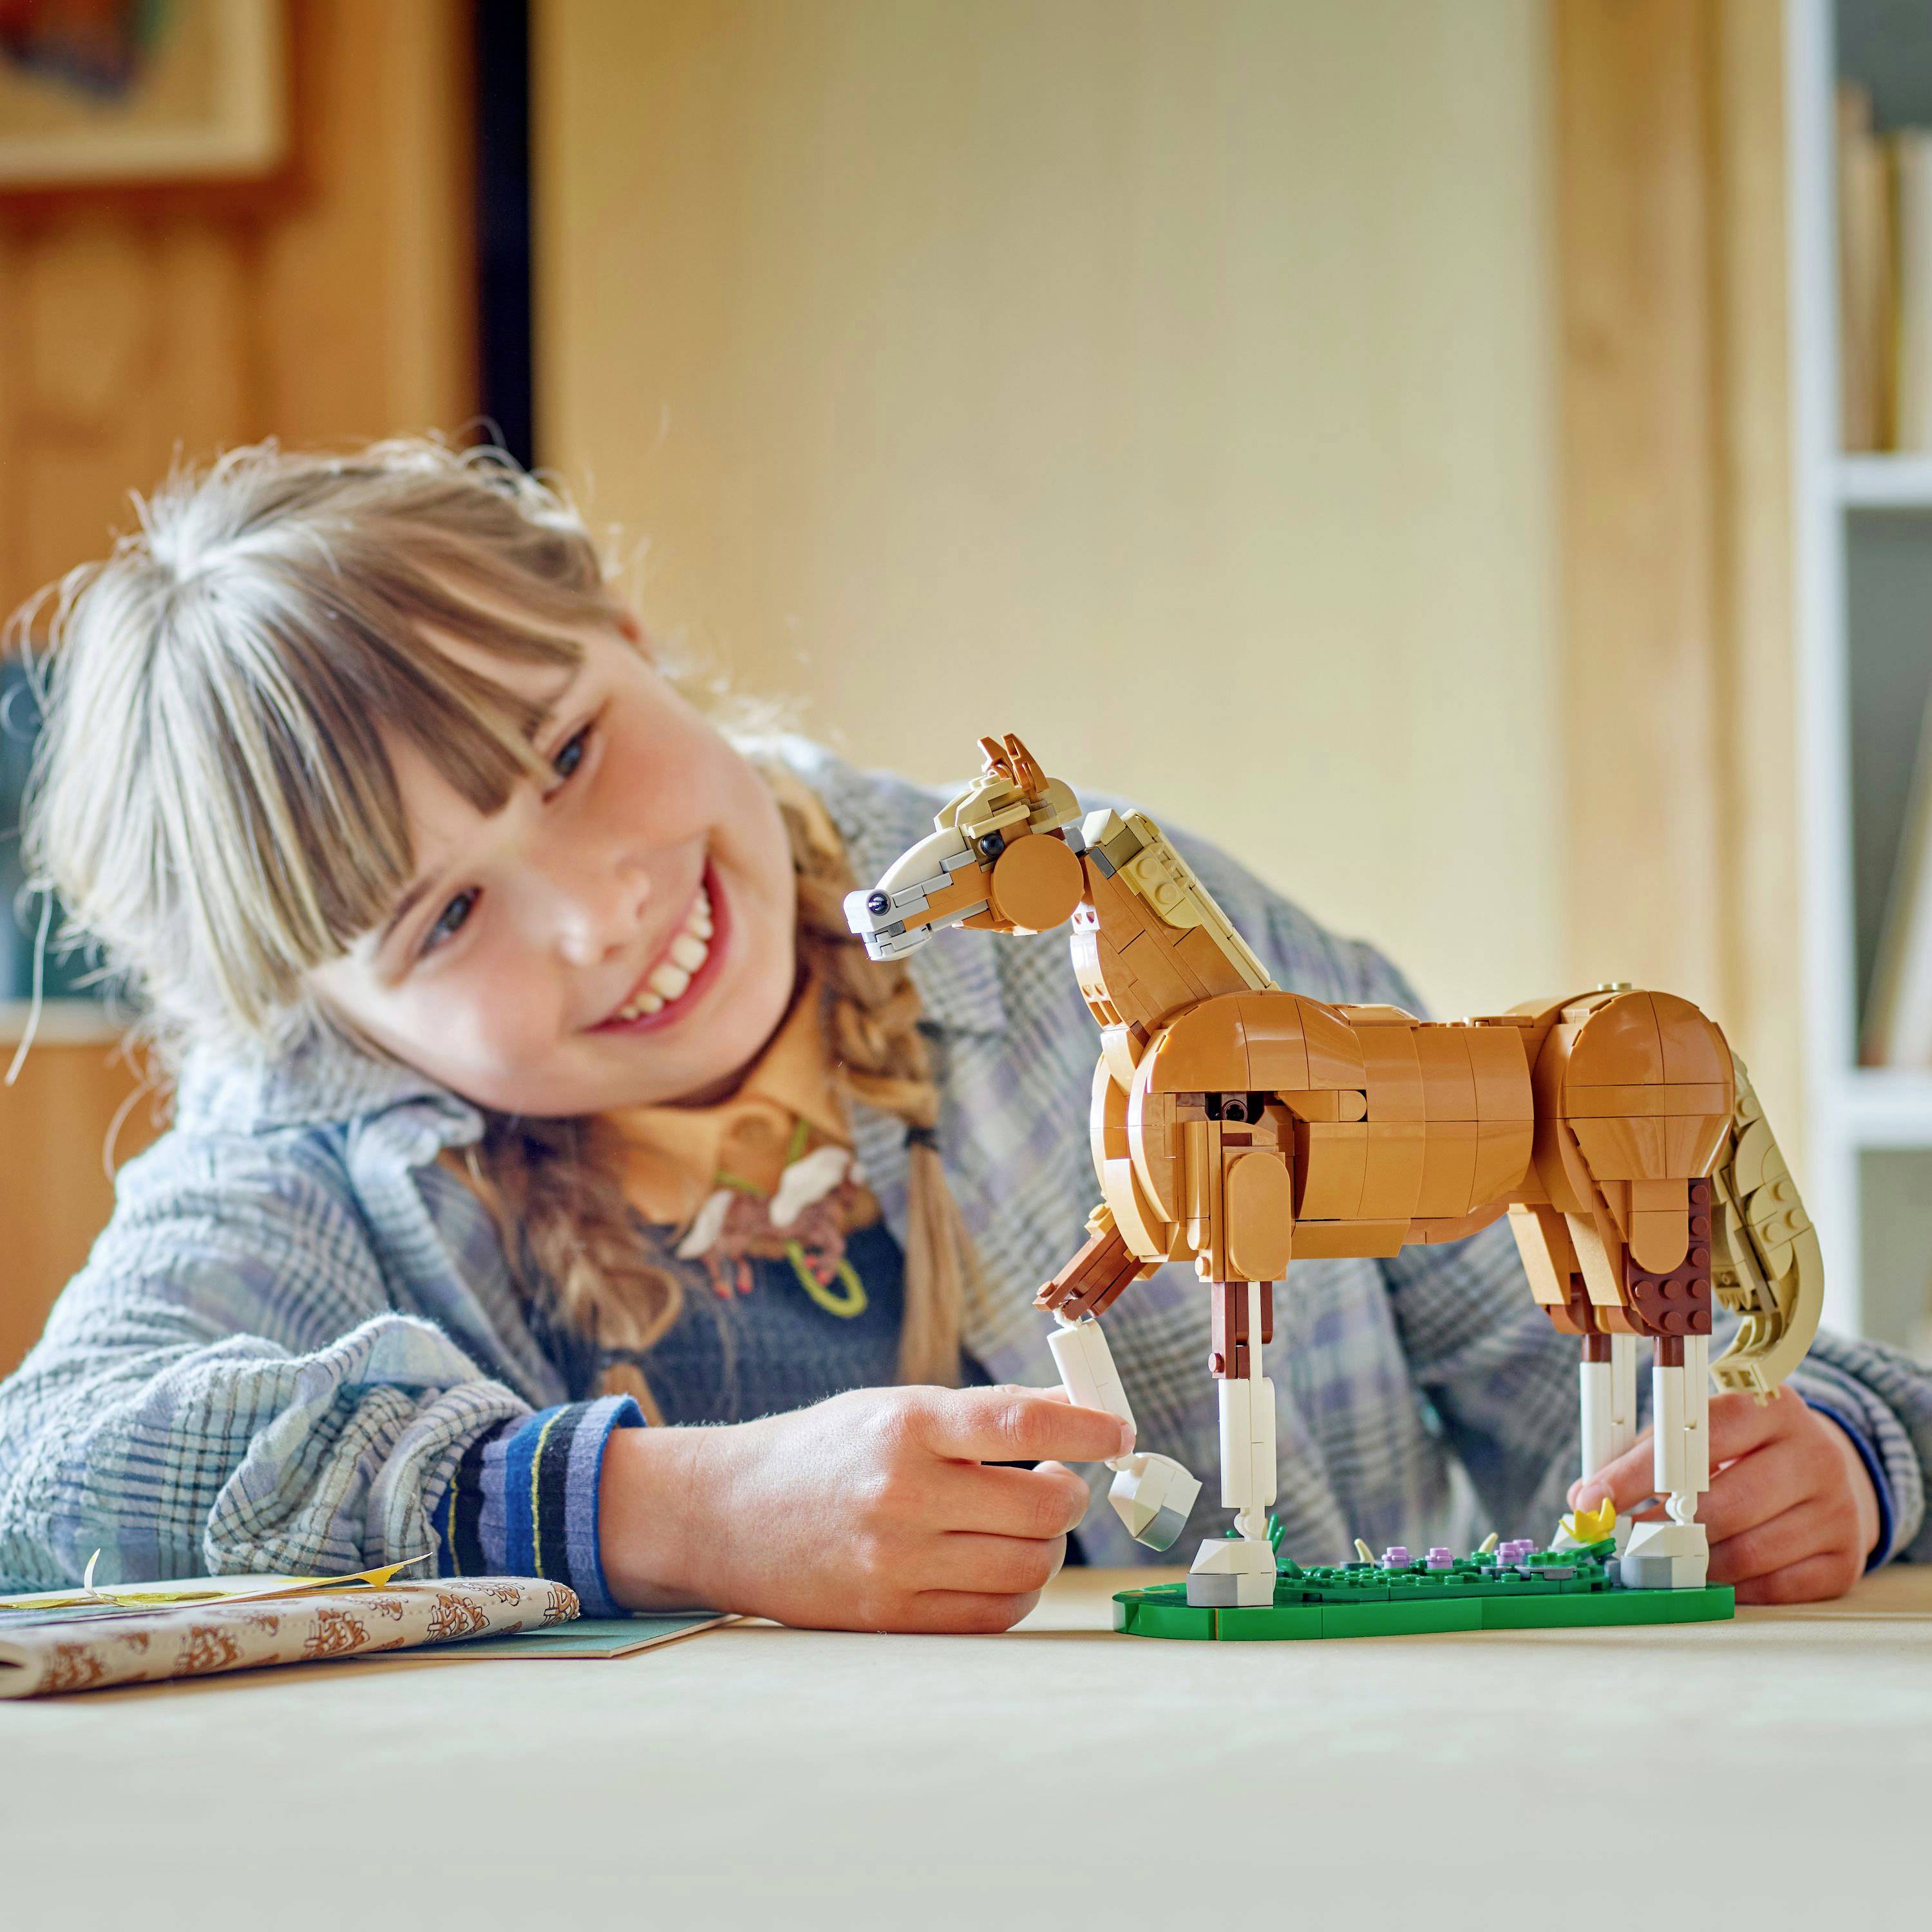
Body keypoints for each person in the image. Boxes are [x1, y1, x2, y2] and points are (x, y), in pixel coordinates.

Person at [1, 439, 1923, 1631]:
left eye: (572, 752)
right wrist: (665, 1511)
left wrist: (1822, 1454)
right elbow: (46, 1480)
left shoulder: (1139, 935)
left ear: (632, 633)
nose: (597, 909)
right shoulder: (318, 1155)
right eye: (442, 920)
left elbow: (1577, 1358)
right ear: (331, 1023)